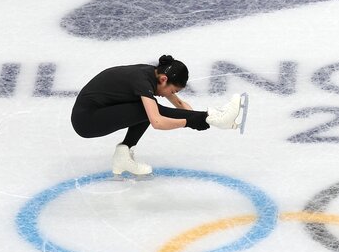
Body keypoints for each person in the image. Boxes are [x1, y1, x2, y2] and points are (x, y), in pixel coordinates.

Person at [71, 55, 244, 177]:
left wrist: (204, 118)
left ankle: (123, 154)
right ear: (163, 79)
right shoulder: (142, 81)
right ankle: (216, 119)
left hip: (95, 112)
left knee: (146, 108)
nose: (171, 94)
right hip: (86, 120)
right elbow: (157, 121)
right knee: (147, 109)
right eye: (173, 90)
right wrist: (193, 121)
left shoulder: (154, 75)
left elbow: (179, 105)